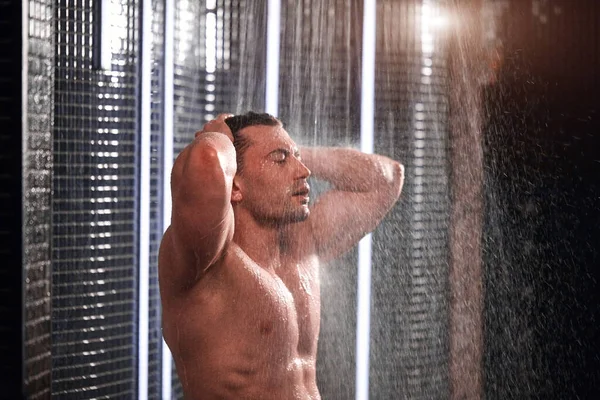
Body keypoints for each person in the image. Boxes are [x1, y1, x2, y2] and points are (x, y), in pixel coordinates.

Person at [158, 112, 404, 399]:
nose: (303, 170)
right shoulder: (207, 259)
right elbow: (206, 160)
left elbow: (387, 178)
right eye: (280, 160)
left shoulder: (302, 246)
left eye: (297, 157)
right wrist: (218, 133)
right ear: (235, 185)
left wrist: (292, 151)